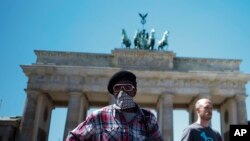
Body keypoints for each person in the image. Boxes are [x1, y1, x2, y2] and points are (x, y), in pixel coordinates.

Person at [66, 70, 163, 141]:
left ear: (134, 91)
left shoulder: (148, 118)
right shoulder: (99, 116)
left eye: (127, 87)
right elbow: (73, 138)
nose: (122, 91)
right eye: (117, 88)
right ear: (113, 93)